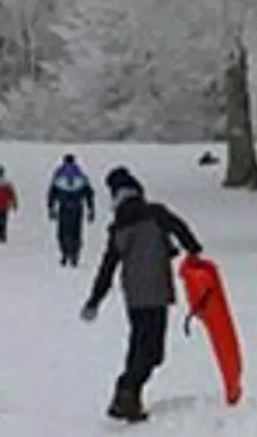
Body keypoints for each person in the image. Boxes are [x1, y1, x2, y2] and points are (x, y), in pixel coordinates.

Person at [79, 166, 203, 422]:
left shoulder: (118, 227)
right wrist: (194, 250)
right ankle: (127, 392)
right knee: (152, 351)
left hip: (134, 295)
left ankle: (127, 397)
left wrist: (95, 299)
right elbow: (180, 228)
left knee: (139, 344)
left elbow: (108, 266)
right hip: (156, 291)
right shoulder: (155, 213)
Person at [48, 154, 96, 268]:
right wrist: (91, 208)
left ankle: (64, 253)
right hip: (78, 206)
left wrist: (51, 207)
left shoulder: (58, 175)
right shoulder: (81, 175)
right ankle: (75, 254)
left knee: (63, 231)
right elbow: (89, 193)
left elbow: (52, 193)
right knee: (76, 231)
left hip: (63, 206)